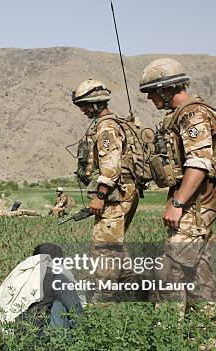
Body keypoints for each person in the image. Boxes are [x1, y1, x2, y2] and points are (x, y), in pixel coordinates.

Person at [139, 58, 216, 310]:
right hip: (196, 205)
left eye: (153, 92)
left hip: (194, 206)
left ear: (167, 89)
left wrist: (178, 202)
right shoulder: (180, 115)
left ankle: (167, 336)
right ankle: (207, 337)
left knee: (170, 270)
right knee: (198, 269)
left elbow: (199, 162)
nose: (151, 98)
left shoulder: (192, 114)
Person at [71, 79, 139, 300]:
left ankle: (103, 302)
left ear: (94, 104)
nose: (81, 110)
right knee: (115, 248)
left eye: (83, 105)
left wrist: (100, 196)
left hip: (115, 197)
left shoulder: (107, 128)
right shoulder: (111, 124)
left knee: (103, 250)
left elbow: (110, 167)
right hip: (122, 195)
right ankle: (136, 294)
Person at [0, 243, 84, 331]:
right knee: (60, 305)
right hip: (37, 337)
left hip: (9, 332)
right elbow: (76, 311)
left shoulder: (21, 275)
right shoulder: (57, 277)